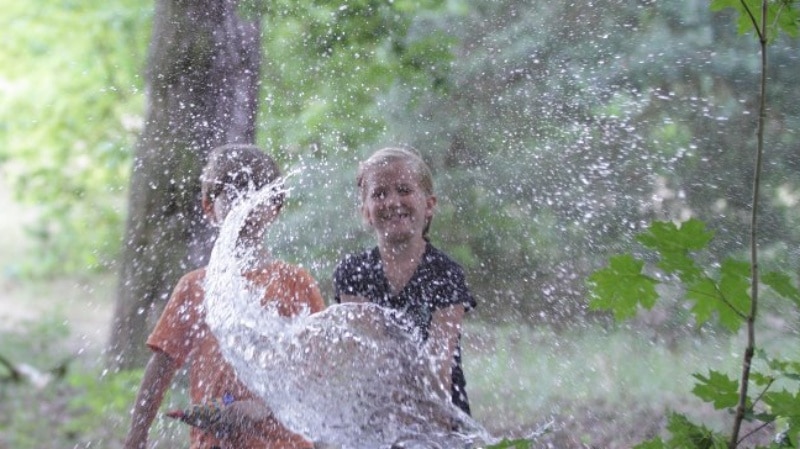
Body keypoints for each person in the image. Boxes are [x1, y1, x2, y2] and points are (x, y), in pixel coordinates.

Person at [123, 144, 325, 449]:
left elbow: (316, 366)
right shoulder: (195, 287)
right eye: (232, 192)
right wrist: (136, 436)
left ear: (277, 206)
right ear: (209, 206)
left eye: (258, 194)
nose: (246, 203)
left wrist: (264, 405)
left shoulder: (296, 282)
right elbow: (160, 366)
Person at [332, 146, 476, 416]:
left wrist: (435, 429)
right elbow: (372, 361)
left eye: (404, 190)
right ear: (366, 212)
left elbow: (439, 368)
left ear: (429, 205)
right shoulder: (353, 273)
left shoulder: (445, 273)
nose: (393, 201)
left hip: (440, 413)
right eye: (379, 194)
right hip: (375, 415)